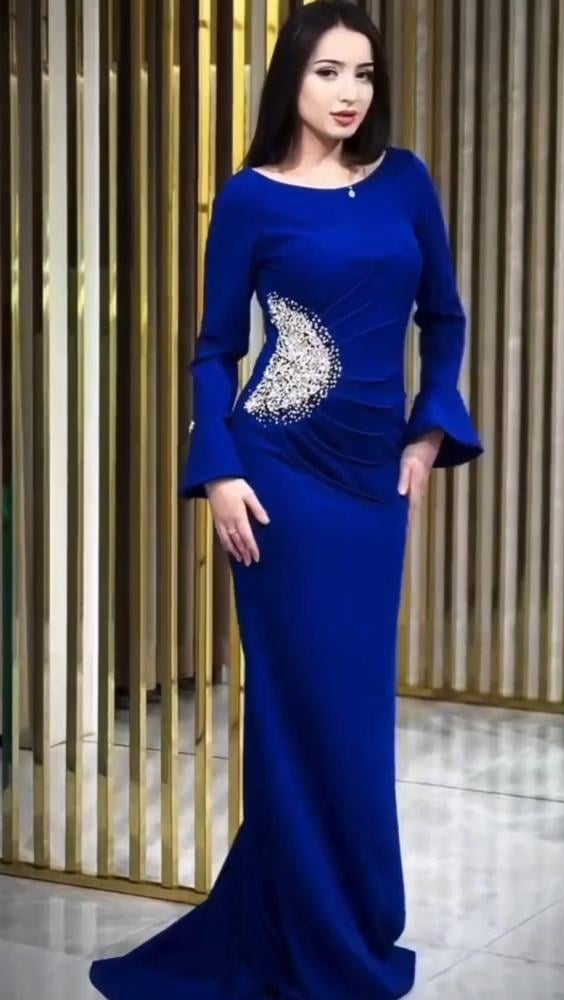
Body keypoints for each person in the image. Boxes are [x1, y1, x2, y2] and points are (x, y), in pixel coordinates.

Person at [89, 2, 483, 997]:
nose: (350, 92)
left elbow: (445, 319)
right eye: (327, 72)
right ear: (291, 82)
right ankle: (300, 935)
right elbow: (215, 350)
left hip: (371, 489)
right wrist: (221, 469)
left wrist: (430, 428)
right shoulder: (251, 198)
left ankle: (349, 926)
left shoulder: (406, 181)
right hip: (277, 486)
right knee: (293, 714)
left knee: (353, 716)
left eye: (364, 73)